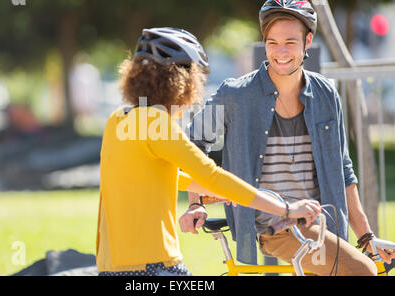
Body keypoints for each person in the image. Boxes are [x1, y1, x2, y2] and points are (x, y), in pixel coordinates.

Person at [180, 0, 393, 276]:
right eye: (273, 43)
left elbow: (343, 171)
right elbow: (193, 146)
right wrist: (196, 203)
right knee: (362, 271)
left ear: (307, 42)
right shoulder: (236, 95)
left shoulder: (326, 93)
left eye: (290, 42)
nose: (281, 52)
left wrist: (366, 238)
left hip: (322, 224)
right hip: (275, 225)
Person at [95, 27, 321, 276]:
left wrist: (220, 193)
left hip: (112, 264)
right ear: (181, 79)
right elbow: (210, 173)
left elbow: (164, 177)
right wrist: (287, 209)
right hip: (153, 264)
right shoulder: (154, 122)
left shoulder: (118, 119)